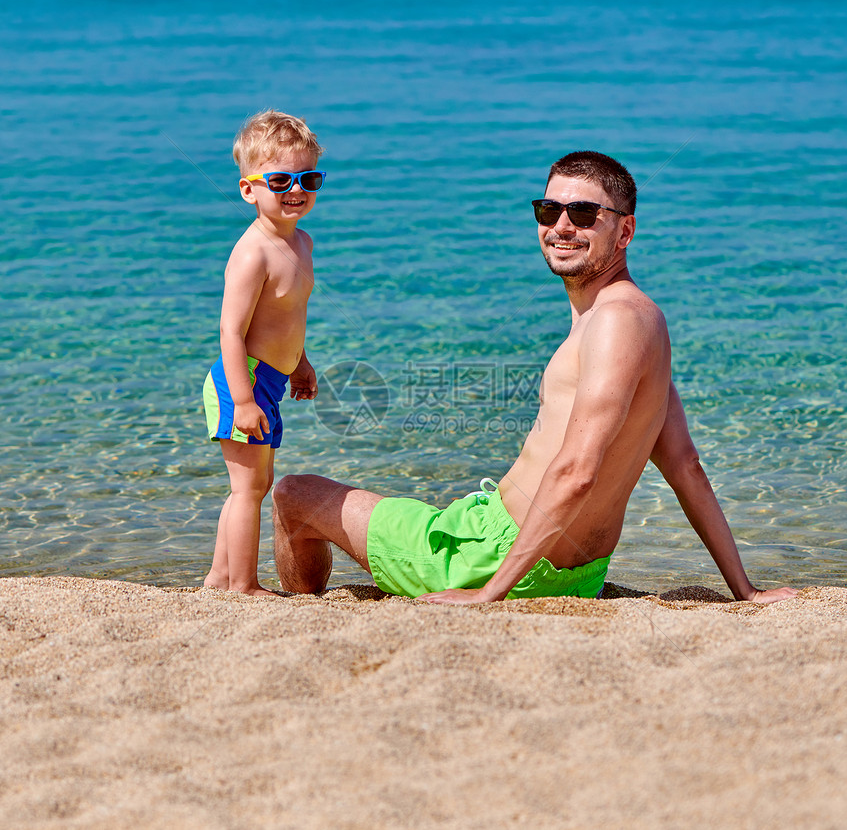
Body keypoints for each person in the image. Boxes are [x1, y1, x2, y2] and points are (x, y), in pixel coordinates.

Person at [271, 151, 797, 605]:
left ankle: (297, 617)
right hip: (578, 575)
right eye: (549, 210)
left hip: (495, 559)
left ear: (625, 230)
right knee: (411, 513)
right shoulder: (644, 319)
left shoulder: (614, 321)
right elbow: (684, 464)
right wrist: (744, 592)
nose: (562, 226)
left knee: (293, 495)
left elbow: (576, 472)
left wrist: (487, 592)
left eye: (585, 213)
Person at [202, 110, 323, 596]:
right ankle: (243, 586)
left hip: (269, 379)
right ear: (249, 189)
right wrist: (244, 399)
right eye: (280, 180)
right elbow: (232, 332)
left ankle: (218, 578)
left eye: (308, 178)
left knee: (253, 487)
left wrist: (301, 363)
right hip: (242, 380)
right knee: (247, 490)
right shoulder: (253, 252)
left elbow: (288, 318)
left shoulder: (302, 242)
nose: (296, 189)